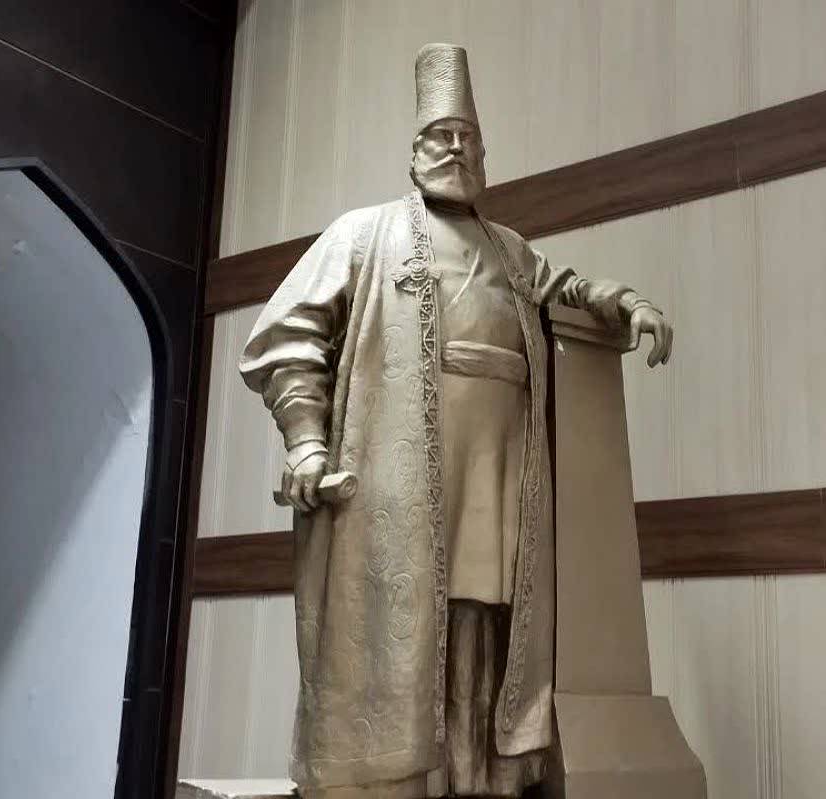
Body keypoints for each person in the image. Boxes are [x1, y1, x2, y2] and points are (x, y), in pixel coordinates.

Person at [239, 43, 672, 799]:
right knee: (404, 625)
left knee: (489, 616)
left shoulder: (512, 253)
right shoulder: (364, 234)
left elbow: (570, 292)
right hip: (396, 478)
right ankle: (405, 780)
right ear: (413, 151)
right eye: (440, 136)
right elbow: (287, 336)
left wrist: (627, 302)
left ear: (484, 156)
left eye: (467, 137)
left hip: (502, 470)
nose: (454, 148)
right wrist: (307, 441)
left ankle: (480, 775)